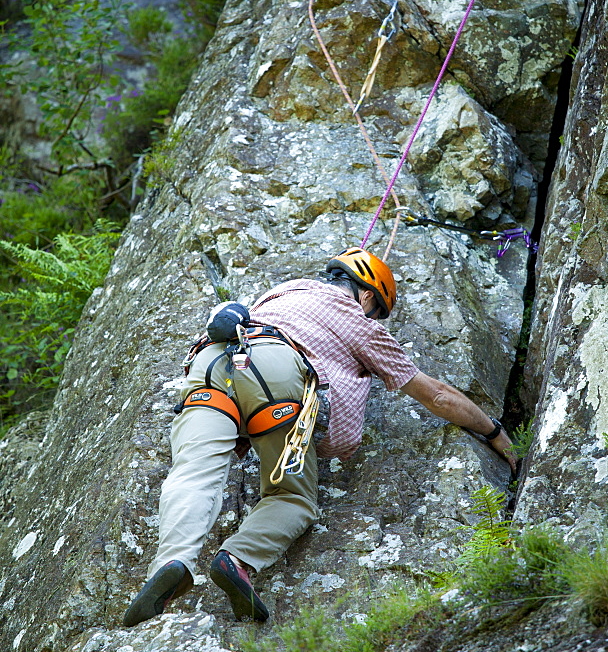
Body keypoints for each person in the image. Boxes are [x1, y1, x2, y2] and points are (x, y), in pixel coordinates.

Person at [123, 247, 516, 627]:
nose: (375, 320)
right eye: (377, 313)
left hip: (214, 358)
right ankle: (238, 559)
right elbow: (438, 395)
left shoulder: (282, 292)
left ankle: (172, 563)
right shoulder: (359, 321)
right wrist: (494, 432)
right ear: (366, 297)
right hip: (275, 372)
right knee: (292, 498)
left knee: (192, 473)